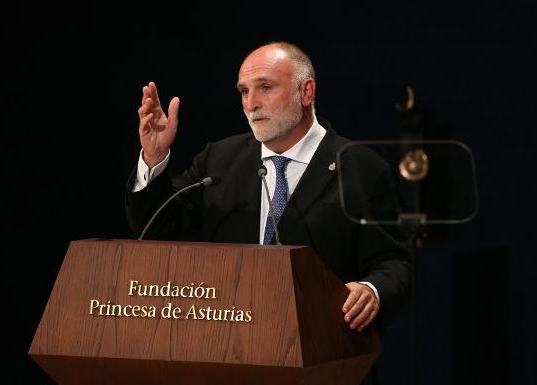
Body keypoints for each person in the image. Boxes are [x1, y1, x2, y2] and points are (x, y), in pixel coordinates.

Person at [125, 41, 411, 333]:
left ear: (306, 91)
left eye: (265, 88)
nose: (251, 104)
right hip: (226, 346)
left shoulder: (360, 168)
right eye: (244, 91)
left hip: (321, 348)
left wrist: (370, 290)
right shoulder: (220, 160)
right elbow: (155, 228)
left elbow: (395, 263)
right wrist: (154, 157)